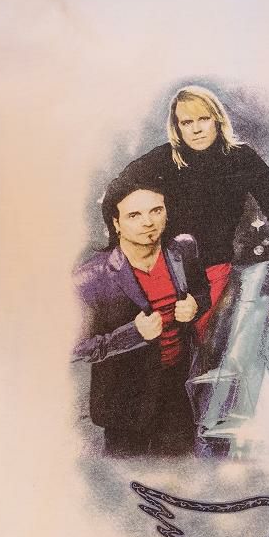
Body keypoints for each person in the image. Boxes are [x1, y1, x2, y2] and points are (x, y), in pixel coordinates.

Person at [116, 84, 269, 339]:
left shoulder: (243, 158)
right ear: (177, 127)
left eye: (203, 119)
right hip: (163, 269)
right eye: (187, 122)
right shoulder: (164, 158)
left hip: (213, 270)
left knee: (199, 344)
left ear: (217, 120)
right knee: (159, 344)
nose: (196, 129)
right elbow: (117, 190)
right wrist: (122, 247)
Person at [73, 178, 211, 457]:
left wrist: (196, 304)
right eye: (134, 215)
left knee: (180, 472)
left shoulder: (182, 250)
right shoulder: (90, 278)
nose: (148, 222)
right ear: (116, 223)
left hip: (177, 392)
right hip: (124, 402)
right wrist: (132, 335)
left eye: (156, 210)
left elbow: (202, 290)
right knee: (126, 476)